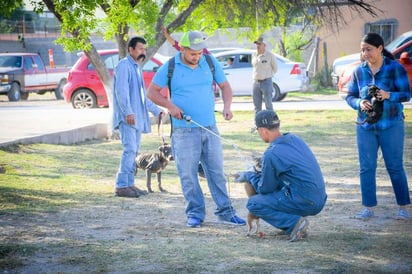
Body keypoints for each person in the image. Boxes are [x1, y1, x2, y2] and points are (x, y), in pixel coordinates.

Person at [147, 30, 246, 228]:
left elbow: (225, 87)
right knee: (188, 175)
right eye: (193, 53)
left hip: (209, 128)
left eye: (199, 53)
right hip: (183, 132)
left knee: (216, 172)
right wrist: (171, 107)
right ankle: (195, 214)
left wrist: (227, 107)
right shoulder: (171, 67)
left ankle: (226, 212)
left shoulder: (209, 62)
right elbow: (152, 92)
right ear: (182, 49)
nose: (197, 57)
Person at [346, 32, 411, 220]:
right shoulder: (359, 71)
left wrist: (388, 95)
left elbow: (406, 94)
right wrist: (359, 103)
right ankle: (368, 207)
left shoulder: (394, 68)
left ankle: (403, 207)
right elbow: (350, 96)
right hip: (366, 127)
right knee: (366, 167)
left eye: (369, 49)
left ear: (380, 48)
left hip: (391, 125)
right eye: (362, 50)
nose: (365, 53)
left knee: (395, 166)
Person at [235, 110, 327, 242]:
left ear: (263, 131)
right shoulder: (295, 139)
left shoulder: (271, 154)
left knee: (254, 203)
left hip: (306, 201)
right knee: (280, 190)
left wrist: (248, 176)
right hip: (319, 199)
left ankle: (294, 224)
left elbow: (265, 189)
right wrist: (264, 164)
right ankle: (292, 223)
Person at [113, 36, 164, 198]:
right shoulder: (123, 66)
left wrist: (157, 111)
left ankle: (129, 185)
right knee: (129, 151)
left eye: (144, 48)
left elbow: (142, 97)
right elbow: (121, 92)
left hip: (137, 119)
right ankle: (121, 186)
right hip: (128, 117)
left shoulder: (136, 67)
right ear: (131, 49)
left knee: (133, 152)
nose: (143, 51)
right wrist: (128, 111)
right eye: (140, 48)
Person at [252, 36, 277, 113]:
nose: (257, 46)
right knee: (257, 106)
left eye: (259, 44)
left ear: (264, 45)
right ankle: (258, 124)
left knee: (268, 105)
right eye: (256, 44)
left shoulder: (270, 55)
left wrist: (268, 75)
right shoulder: (254, 55)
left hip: (266, 82)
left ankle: (270, 123)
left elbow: (275, 68)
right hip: (256, 82)